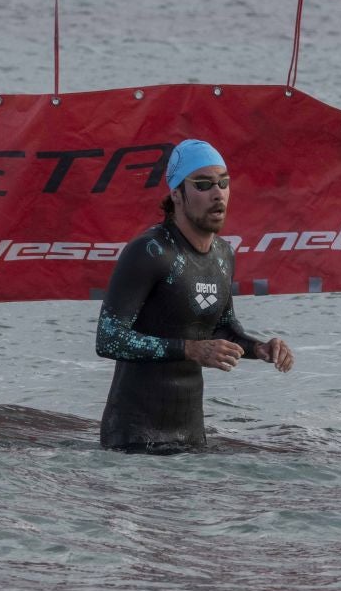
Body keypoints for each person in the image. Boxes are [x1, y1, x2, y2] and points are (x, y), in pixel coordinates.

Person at [95, 139, 294, 452]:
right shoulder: (150, 252)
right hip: (133, 442)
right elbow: (109, 339)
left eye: (224, 183)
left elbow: (222, 329)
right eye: (203, 184)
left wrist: (260, 348)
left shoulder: (223, 255)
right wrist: (190, 350)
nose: (217, 194)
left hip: (191, 437)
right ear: (176, 194)